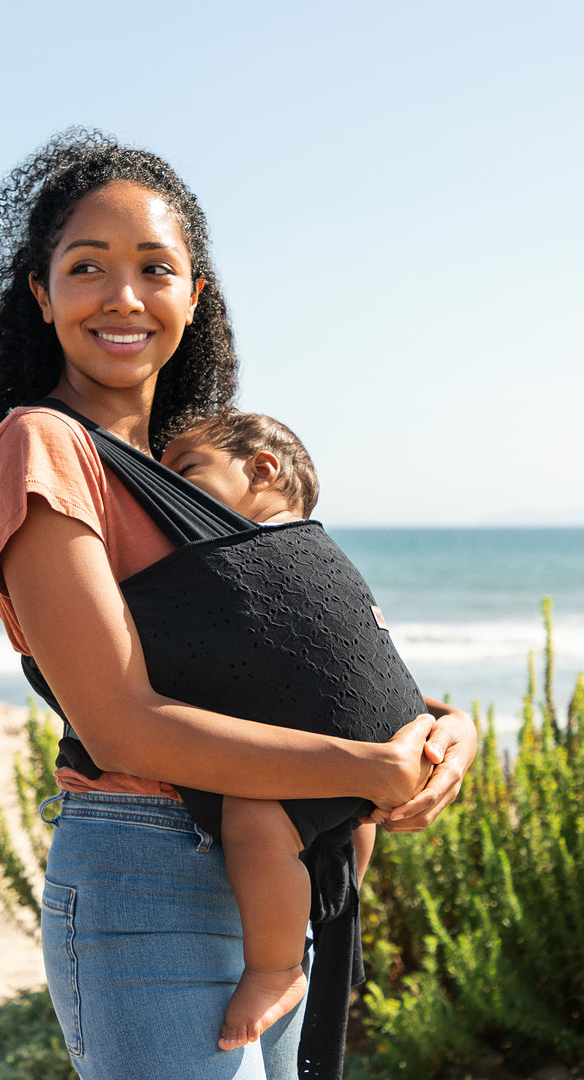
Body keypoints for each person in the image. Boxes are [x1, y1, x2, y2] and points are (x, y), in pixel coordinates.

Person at [0, 128, 477, 1080]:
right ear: (40, 293)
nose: (124, 296)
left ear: (195, 294)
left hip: (282, 868)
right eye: (86, 266)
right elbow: (123, 724)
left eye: (156, 267)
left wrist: (441, 734)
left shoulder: (197, 468)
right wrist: (362, 766)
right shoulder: (43, 446)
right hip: (152, 871)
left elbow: (297, 658)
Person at [161, 409, 382, 1049]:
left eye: (187, 472)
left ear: (262, 471)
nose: (169, 487)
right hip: (379, 735)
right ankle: (333, 894)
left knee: (254, 816)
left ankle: (276, 968)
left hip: (325, 744)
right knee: (350, 820)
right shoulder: (325, 555)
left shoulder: (249, 553)